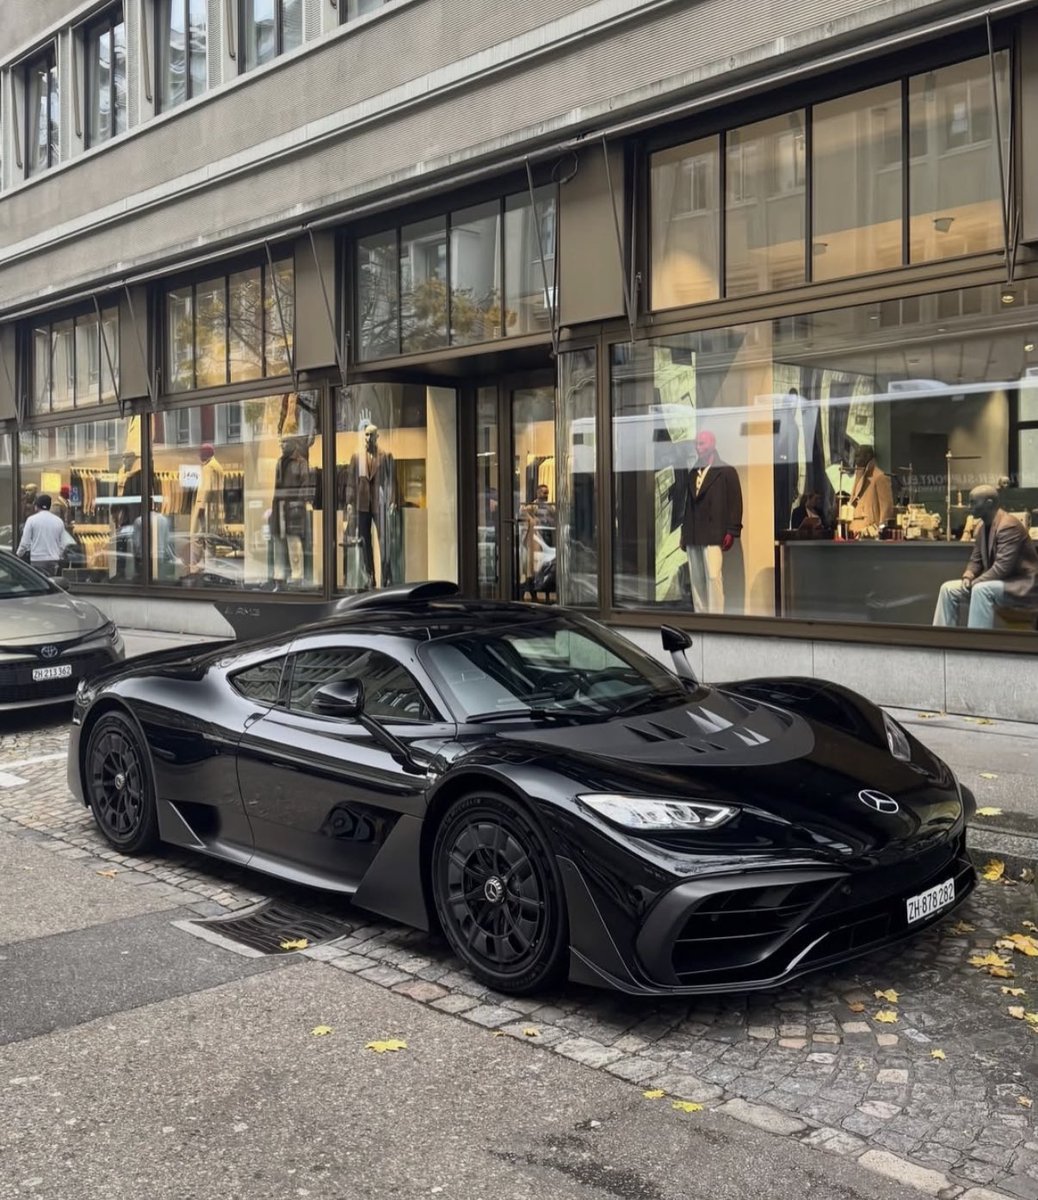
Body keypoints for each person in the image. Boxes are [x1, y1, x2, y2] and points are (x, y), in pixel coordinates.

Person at [933, 484, 1038, 628]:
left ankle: (976, 645)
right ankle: (942, 641)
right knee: (948, 589)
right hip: (999, 583)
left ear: (989, 503)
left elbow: (1002, 568)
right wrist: (968, 576)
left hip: (1022, 587)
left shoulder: (1008, 525)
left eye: (973, 502)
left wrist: (976, 582)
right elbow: (975, 560)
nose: (970, 507)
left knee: (981, 590)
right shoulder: (983, 527)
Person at [679, 430, 743, 614]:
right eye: (697, 444)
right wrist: (684, 533)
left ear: (712, 445)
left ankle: (715, 616)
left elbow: (735, 503)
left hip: (714, 532)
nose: (698, 448)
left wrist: (732, 530)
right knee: (696, 579)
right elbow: (688, 505)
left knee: (713, 576)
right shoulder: (693, 473)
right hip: (693, 532)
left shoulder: (726, 472)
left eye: (702, 444)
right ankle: (700, 614)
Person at [848, 444, 894, 537]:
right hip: (855, 531)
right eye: (855, 456)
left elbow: (886, 507)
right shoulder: (859, 476)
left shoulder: (880, 477)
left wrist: (880, 531)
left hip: (870, 532)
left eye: (858, 455)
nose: (855, 459)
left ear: (868, 456)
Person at [16, 494, 68, 577]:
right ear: (49, 507)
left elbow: (25, 542)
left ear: (36, 506)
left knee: (40, 584)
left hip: (37, 560)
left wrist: (18, 554)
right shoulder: (59, 521)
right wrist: (58, 554)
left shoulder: (31, 520)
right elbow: (63, 543)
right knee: (52, 584)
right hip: (53, 560)